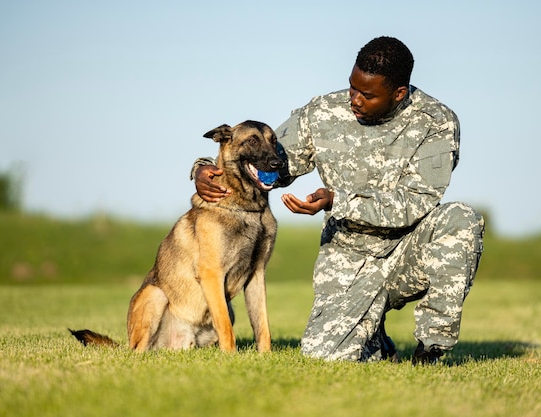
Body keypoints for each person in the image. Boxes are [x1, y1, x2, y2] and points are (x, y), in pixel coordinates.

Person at [192, 36, 485, 364]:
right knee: (325, 358)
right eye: (352, 88)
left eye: (368, 94)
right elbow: (269, 159)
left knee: (461, 219)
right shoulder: (322, 112)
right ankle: (373, 334)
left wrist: (338, 201)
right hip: (348, 256)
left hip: (407, 251)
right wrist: (204, 169)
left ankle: (431, 349)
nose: (355, 100)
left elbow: (414, 202)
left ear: (399, 93)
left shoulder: (437, 122)